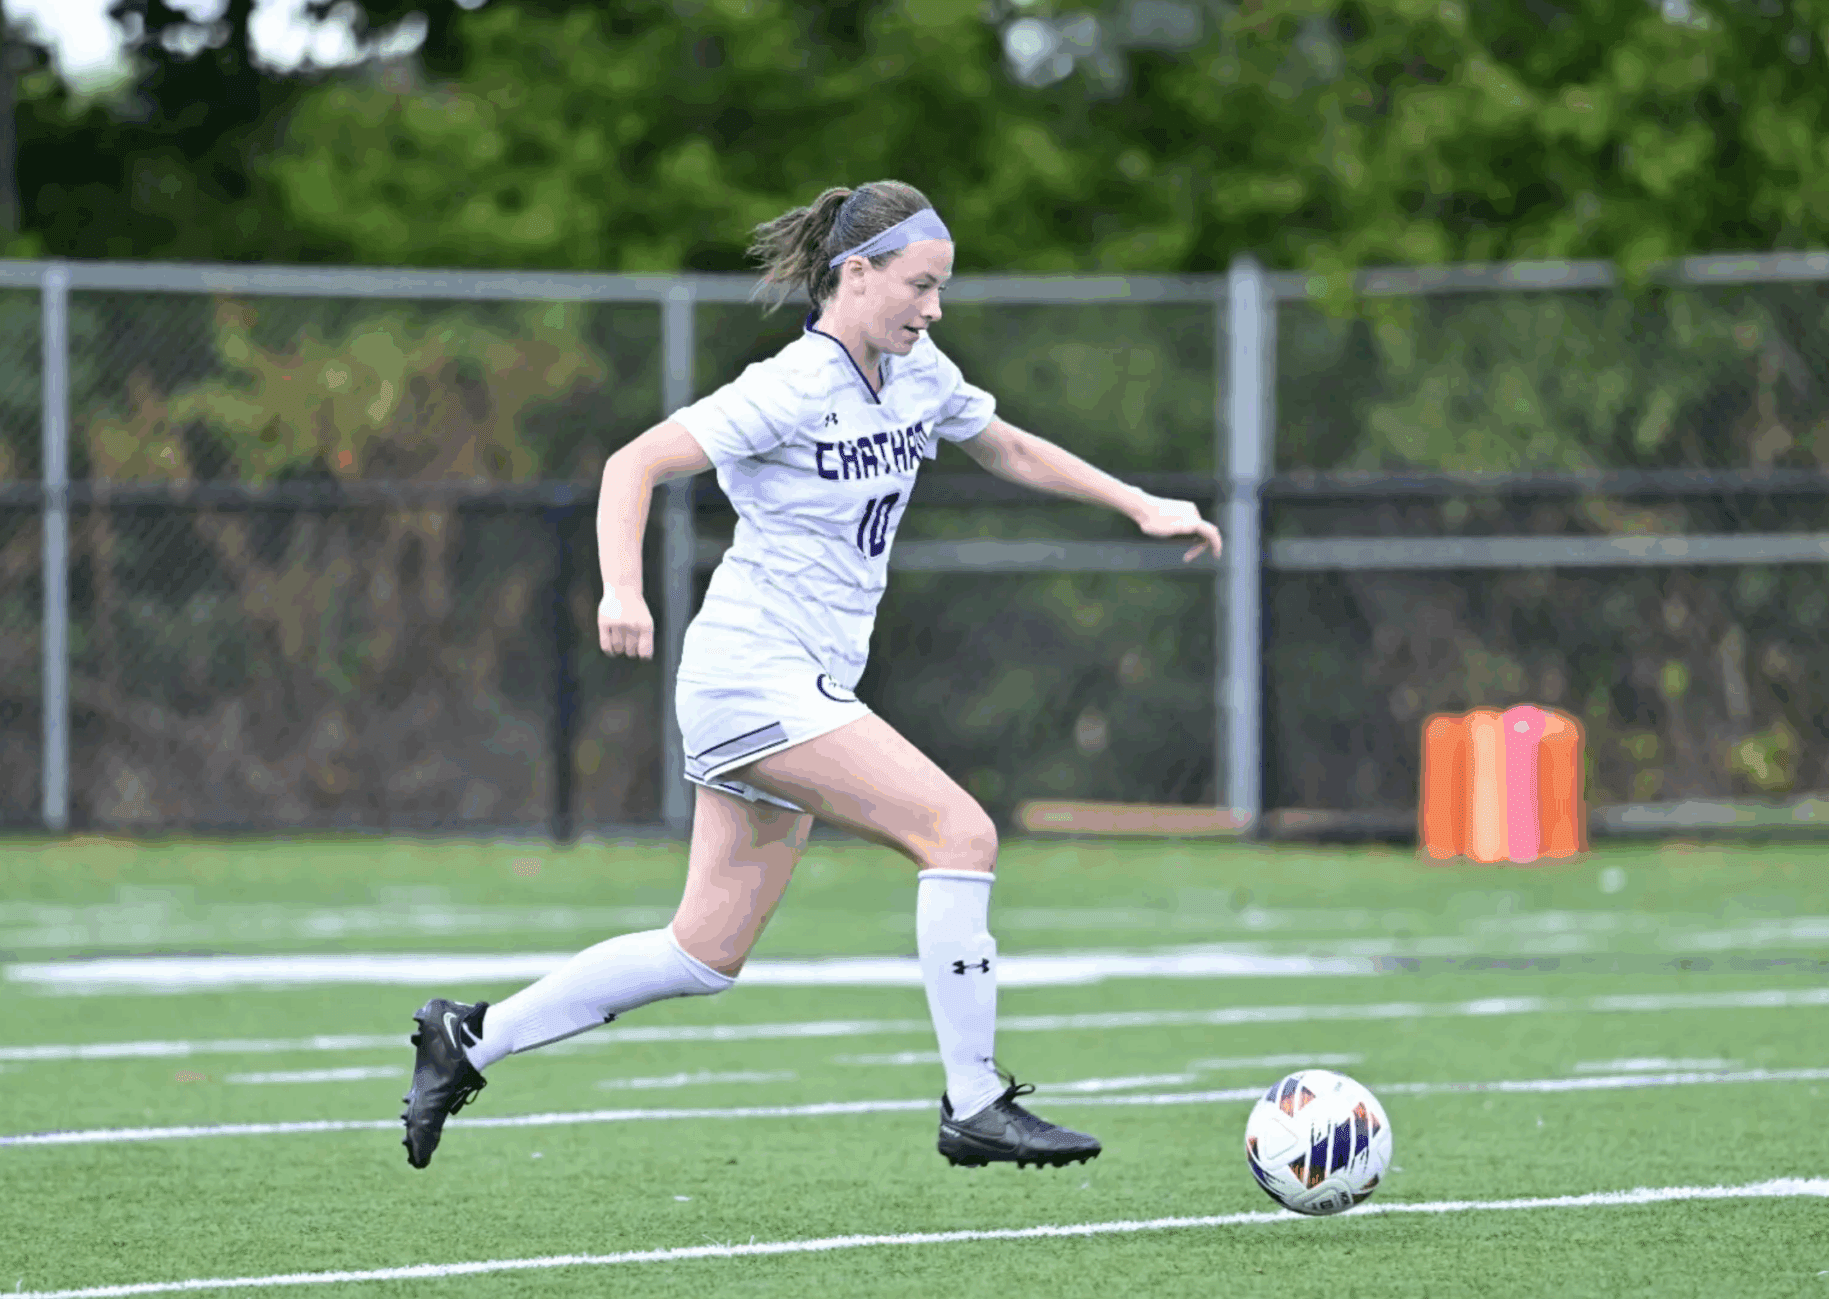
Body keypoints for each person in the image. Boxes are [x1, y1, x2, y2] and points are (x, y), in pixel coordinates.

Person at [401, 180, 1222, 1172]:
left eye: (940, 289)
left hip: (803, 684)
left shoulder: (918, 374)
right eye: (919, 286)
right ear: (856, 274)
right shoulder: (787, 386)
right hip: (751, 674)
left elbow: (1002, 443)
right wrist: (623, 591)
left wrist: (1136, 503)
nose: (932, 308)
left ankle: (469, 1038)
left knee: (699, 956)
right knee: (958, 832)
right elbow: (632, 466)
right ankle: (976, 1102)